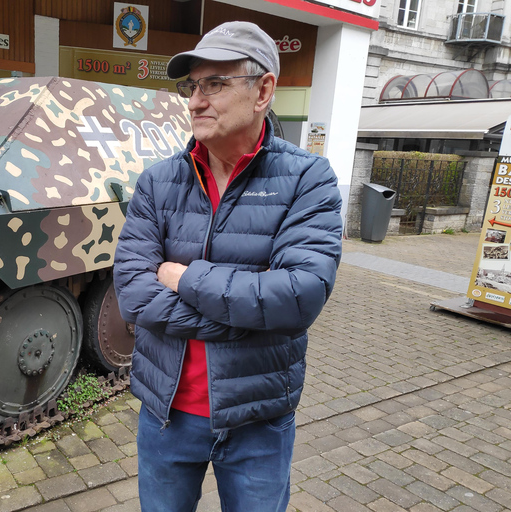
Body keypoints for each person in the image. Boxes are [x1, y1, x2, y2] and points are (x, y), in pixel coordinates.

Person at [113, 21, 343, 511]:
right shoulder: (157, 182)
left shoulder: (308, 179)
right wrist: (245, 319)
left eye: (215, 84)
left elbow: (298, 296)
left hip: (258, 419)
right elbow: (132, 290)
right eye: (191, 86)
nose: (196, 101)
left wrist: (182, 276)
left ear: (263, 90)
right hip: (166, 415)